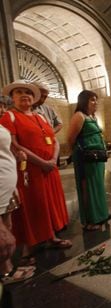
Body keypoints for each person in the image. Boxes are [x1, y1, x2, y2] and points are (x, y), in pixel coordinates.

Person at [0, 80, 71, 267]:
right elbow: (15, 145)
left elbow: (53, 139)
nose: (25, 95)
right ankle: (27, 249)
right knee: (32, 207)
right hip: (29, 170)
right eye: (19, 92)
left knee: (49, 204)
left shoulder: (41, 117)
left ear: (34, 97)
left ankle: (51, 236)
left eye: (28, 92)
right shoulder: (9, 116)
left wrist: (53, 160)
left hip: (49, 169)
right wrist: (42, 162)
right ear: (12, 97)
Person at [67, 90, 111, 231]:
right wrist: (78, 154)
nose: (95, 102)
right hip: (86, 158)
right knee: (89, 187)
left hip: (97, 157)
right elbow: (70, 138)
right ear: (83, 101)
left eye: (96, 100)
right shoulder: (79, 116)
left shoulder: (92, 117)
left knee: (98, 186)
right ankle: (91, 220)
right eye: (92, 100)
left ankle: (101, 214)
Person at [0, 124, 35, 284]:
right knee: (4, 240)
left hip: (6, 187)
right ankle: (5, 273)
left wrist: (15, 156)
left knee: (8, 228)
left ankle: (6, 268)